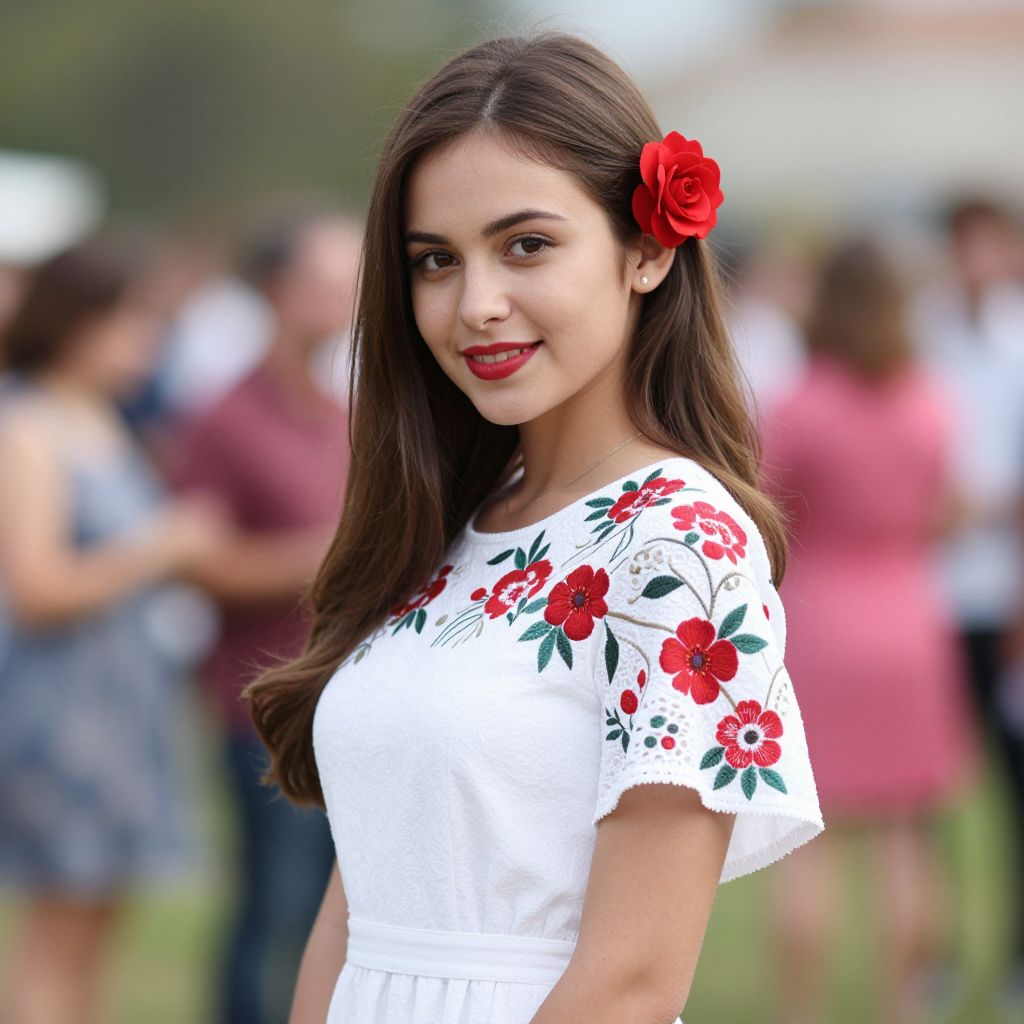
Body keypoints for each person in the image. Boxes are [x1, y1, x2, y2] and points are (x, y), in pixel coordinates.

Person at [246, 33, 824, 1024]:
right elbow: (366, 892)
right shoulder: (443, 529)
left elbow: (633, 982)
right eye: (435, 260)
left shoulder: (678, 547)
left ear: (646, 250)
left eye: (526, 245)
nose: (476, 305)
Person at [0, 234, 226, 1024]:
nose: (147, 345)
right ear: (77, 319)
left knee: (98, 932)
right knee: (58, 937)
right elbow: (36, 588)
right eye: (132, 323)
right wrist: (159, 547)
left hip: (117, 708)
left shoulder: (97, 419)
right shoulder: (27, 427)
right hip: (63, 719)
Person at [760, 240, 976, 1024]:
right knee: (903, 837)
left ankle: (800, 1013)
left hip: (821, 624)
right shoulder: (929, 400)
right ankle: (901, 1010)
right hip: (912, 623)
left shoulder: (799, 403)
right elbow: (948, 507)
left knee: (808, 843)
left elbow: (763, 507)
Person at [174, 209, 359, 1024]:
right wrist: (331, 553)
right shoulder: (227, 415)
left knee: (336, 917)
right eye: (334, 276)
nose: (356, 293)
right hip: (264, 707)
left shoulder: (342, 410)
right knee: (272, 912)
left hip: (345, 703)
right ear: (280, 290)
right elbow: (200, 562)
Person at [910, 197, 1024, 1005]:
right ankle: (936, 953)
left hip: (1007, 593)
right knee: (927, 793)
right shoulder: (922, 334)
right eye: (964, 243)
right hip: (930, 596)